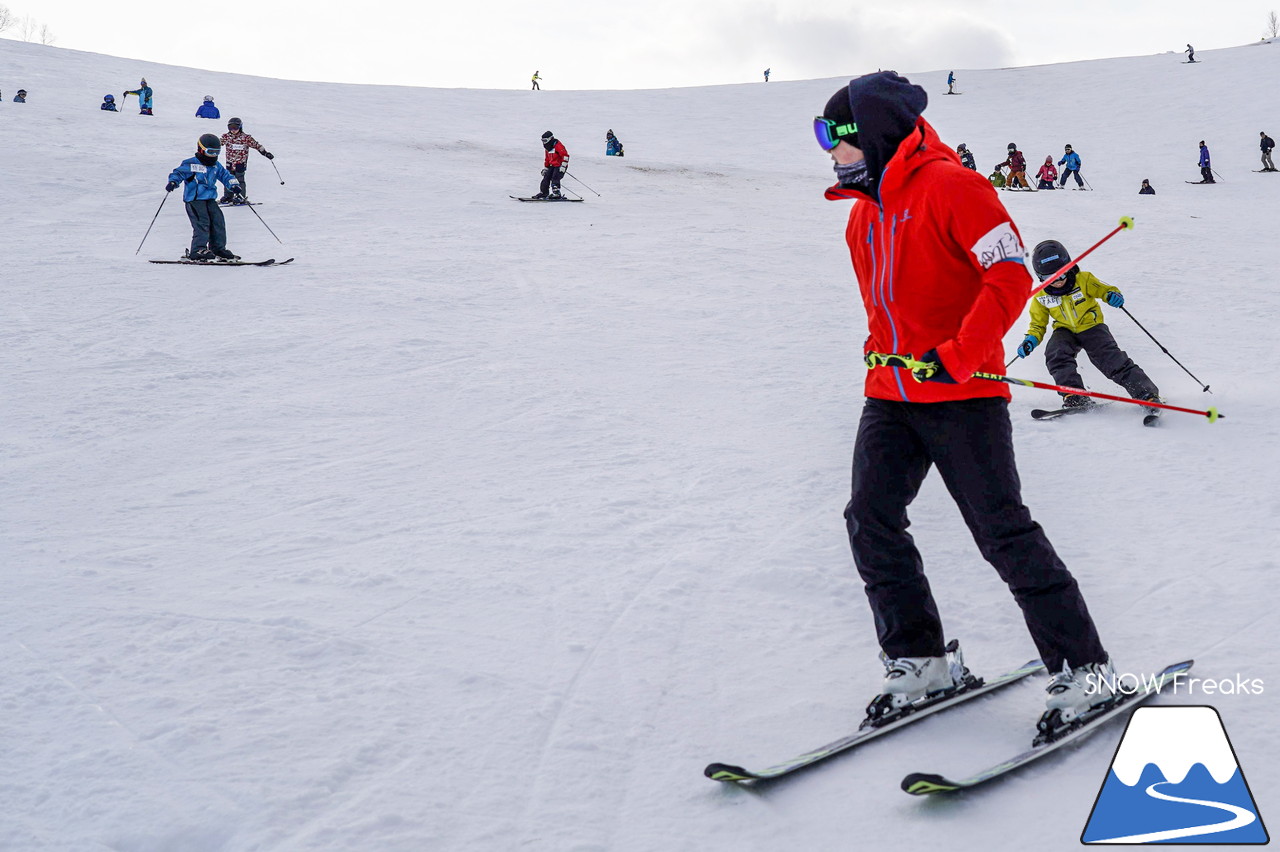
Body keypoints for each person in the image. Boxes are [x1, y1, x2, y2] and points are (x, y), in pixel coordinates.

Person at [815, 70, 1115, 729]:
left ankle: (1085, 670)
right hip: (890, 394)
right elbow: (886, 307)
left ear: (875, 133)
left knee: (1001, 531)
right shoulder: (863, 217)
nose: (829, 153)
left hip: (964, 394)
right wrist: (880, 353)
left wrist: (957, 354)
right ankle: (919, 662)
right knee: (870, 517)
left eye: (835, 138)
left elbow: (1007, 276)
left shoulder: (955, 186)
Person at [1015, 239, 1161, 411]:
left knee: (1111, 360)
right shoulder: (1041, 297)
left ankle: (1146, 394)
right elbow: (1037, 324)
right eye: (1049, 278)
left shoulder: (1083, 280)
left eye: (1061, 273)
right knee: (1056, 354)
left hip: (1092, 327)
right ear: (1040, 277)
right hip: (1064, 330)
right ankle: (1074, 395)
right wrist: (1031, 339)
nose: (1058, 281)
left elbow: (1104, 289)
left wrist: (1112, 295)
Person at [166, 133, 244, 261]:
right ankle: (198, 249)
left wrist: (233, 184)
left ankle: (218, 249)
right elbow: (179, 173)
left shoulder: (215, 165)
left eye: (216, 152)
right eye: (210, 152)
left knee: (218, 221)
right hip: (195, 199)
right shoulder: (191, 163)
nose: (213, 155)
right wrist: (173, 182)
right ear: (201, 149)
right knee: (202, 223)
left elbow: (226, 176)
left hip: (210, 199)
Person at [218, 117, 274, 204]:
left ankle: (240, 196)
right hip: (230, 163)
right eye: (230, 127)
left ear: (240, 127)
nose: (233, 130)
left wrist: (265, 153)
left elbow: (257, 145)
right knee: (228, 179)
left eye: (235, 127)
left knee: (240, 179)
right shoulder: (226, 137)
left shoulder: (246, 138)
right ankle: (228, 196)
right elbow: (217, 143)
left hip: (240, 163)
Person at [534, 130, 569, 199]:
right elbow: (547, 158)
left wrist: (563, 166)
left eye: (545, 140)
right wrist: (546, 168)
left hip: (560, 165)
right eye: (542, 140)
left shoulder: (558, 145)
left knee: (555, 178)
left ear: (550, 139)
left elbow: (565, 156)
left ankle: (556, 193)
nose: (544, 142)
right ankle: (544, 193)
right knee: (546, 178)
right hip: (552, 166)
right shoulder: (548, 147)